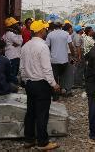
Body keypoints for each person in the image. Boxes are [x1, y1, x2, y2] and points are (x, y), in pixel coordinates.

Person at [20, 20, 60, 150]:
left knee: (30, 112)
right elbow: (46, 69)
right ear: (40, 31)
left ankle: (29, 140)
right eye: (44, 29)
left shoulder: (25, 46)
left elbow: (22, 67)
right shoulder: (42, 47)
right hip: (41, 84)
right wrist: (54, 84)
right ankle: (43, 142)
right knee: (42, 114)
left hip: (30, 83)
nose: (46, 31)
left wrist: (25, 80)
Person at [46, 19, 75, 101]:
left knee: (55, 77)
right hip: (64, 60)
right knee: (63, 76)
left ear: (54, 26)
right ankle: (64, 91)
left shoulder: (50, 34)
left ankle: (55, 95)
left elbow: (47, 46)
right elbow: (70, 46)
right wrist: (73, 55)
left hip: (53, 60)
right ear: (62, 26)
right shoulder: (66, 34)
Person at [2, 17, 23, 84]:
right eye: (15, 24)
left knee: (12, 72)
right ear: (12, 25)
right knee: (13, 73)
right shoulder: (11, 34)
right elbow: (20, 42)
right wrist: (20, 34)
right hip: (13, 56)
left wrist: (17, 43)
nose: (17, 25)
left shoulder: (7, 33)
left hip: (11, 55)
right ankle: (12, 87)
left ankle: (11, 85)